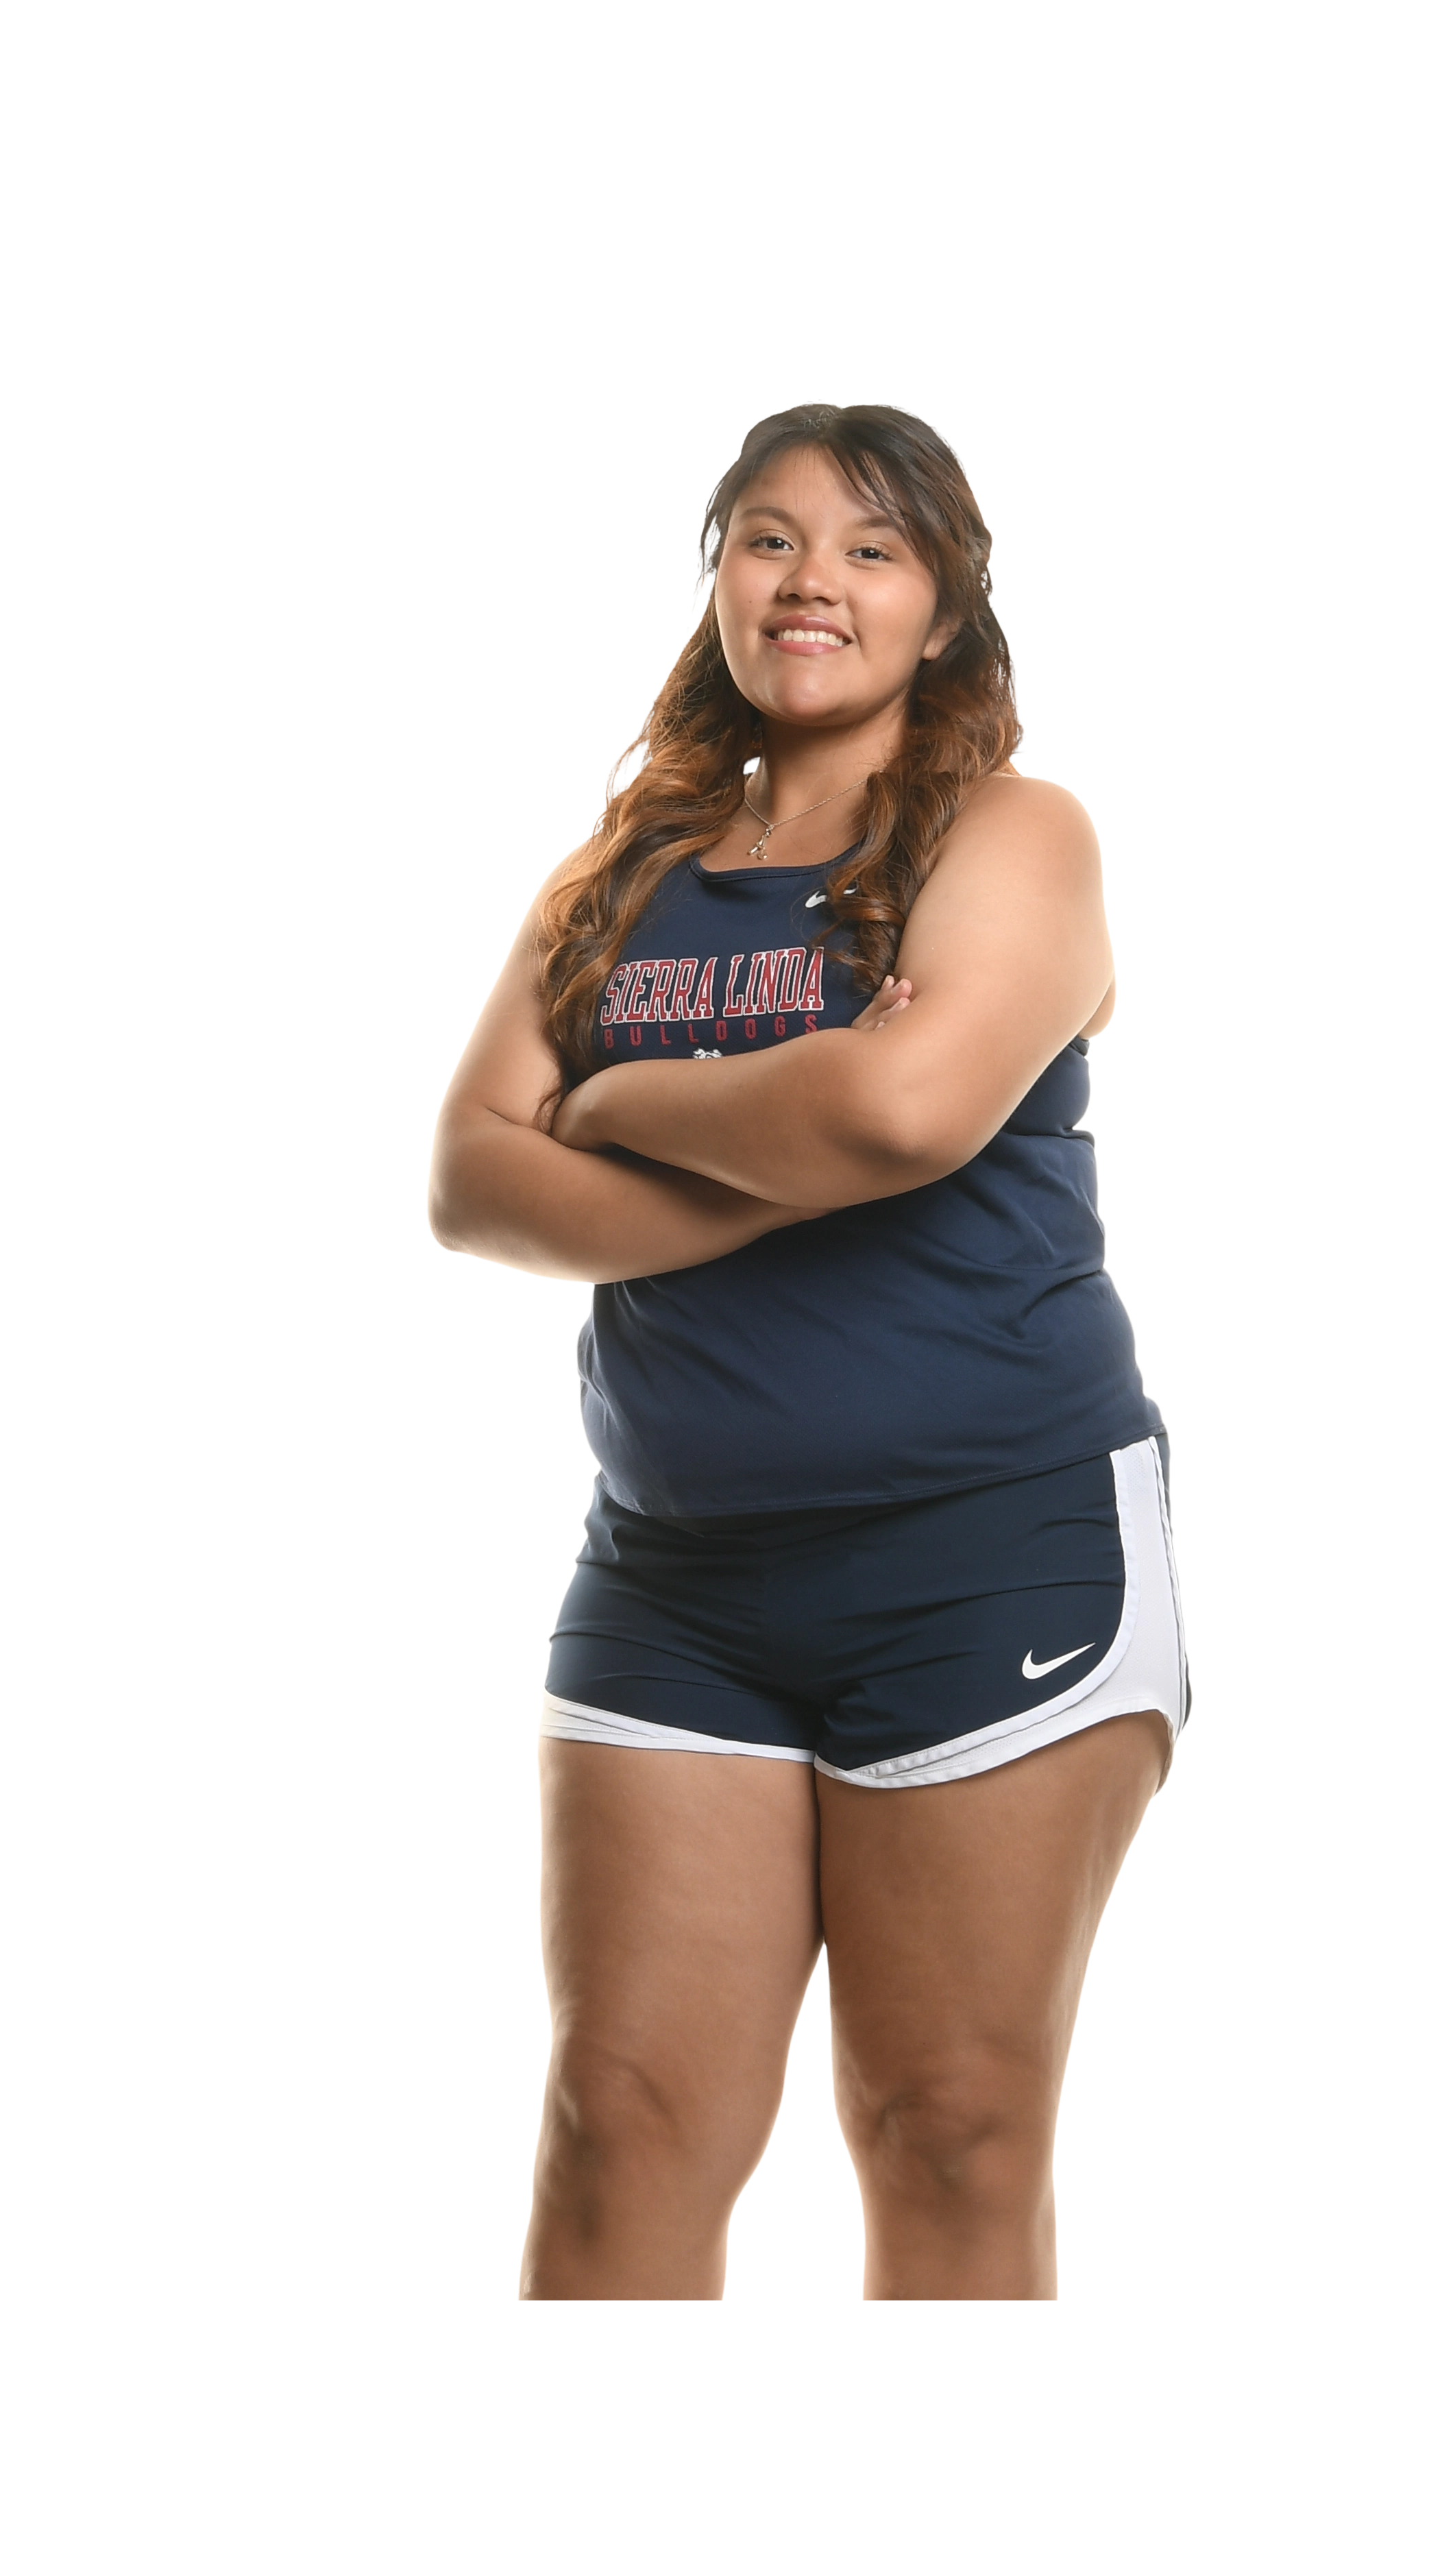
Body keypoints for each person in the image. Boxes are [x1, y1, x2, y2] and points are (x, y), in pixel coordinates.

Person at [429, 400, 1186, 2299]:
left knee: (949, 2127)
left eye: (872, 548)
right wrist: (795, 1140)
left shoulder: (1015, 835)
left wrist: (616, 1105)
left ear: (946, 608)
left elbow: (902, 1115)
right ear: (715, 583)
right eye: (769, 540)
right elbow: (471, 1179)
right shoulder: (616, 876)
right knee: (619, 2123)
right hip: (676, 1574)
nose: (812, 583)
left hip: (990, 1556)